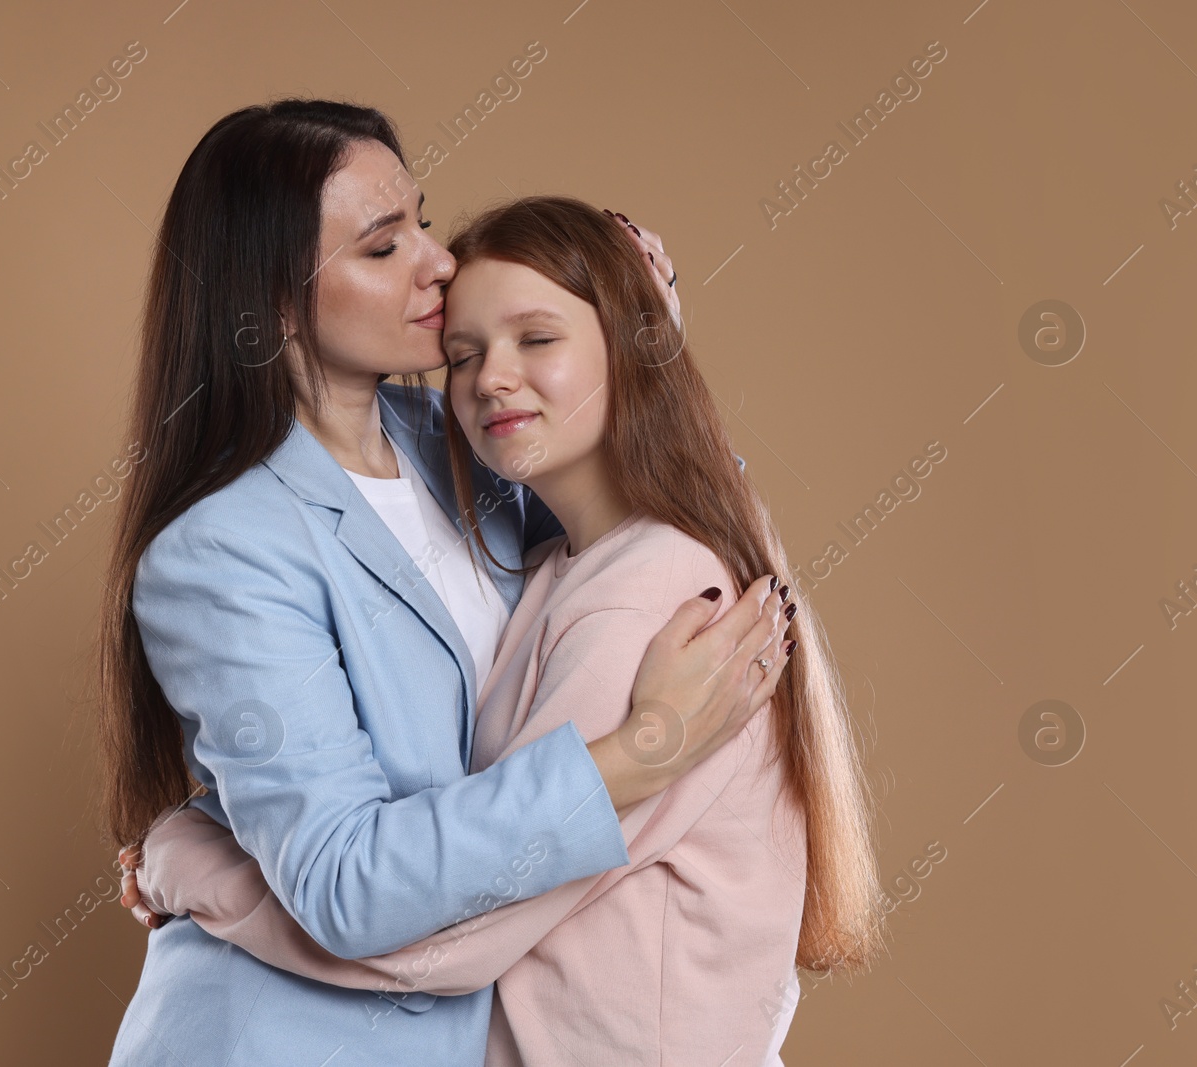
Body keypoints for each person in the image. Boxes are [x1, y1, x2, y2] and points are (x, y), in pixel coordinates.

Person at [97, 99, 792, 1067]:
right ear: (273, 305)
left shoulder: (457, 436)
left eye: (420, 219)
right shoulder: (222, 548)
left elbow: (657, 520)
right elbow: (345, 881)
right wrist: (638, 750)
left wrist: (635, 332)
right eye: (382, 248)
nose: (436, 261)